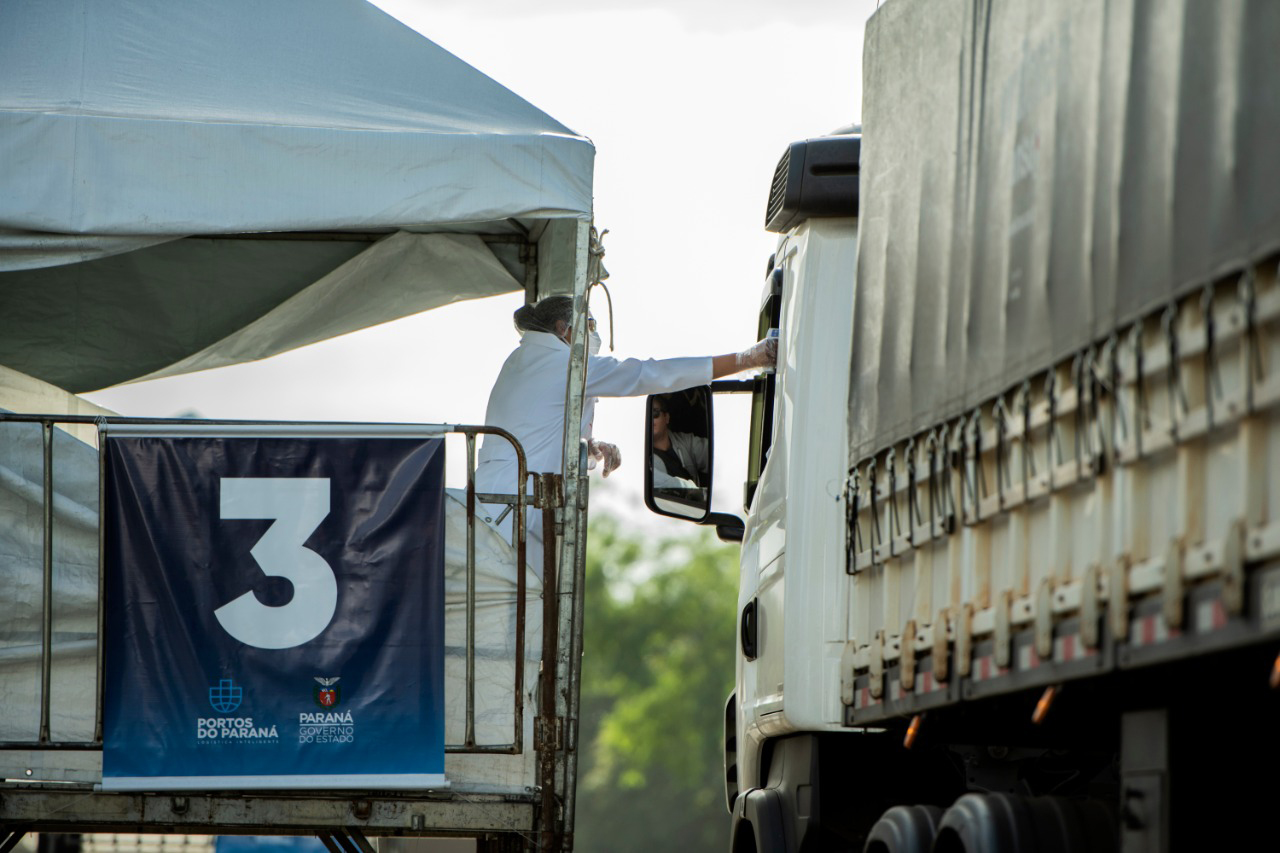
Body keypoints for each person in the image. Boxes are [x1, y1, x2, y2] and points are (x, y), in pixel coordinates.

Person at [474, 295, 775, 576]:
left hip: (496, 502)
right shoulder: (565, 364)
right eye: (590, 325)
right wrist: (749, 359)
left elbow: (537, 422)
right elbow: (649, 375)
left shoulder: (522, 360)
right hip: (514, 510)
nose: (595, 334)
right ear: (562, 329)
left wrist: (589, 447)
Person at [650, 393, 709, 491]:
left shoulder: (686, 442)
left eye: (654, 413)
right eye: (646, 415)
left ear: (666, 418)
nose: (650, 419)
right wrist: (697, 493)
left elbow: (714, 455)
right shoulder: (642, 456)